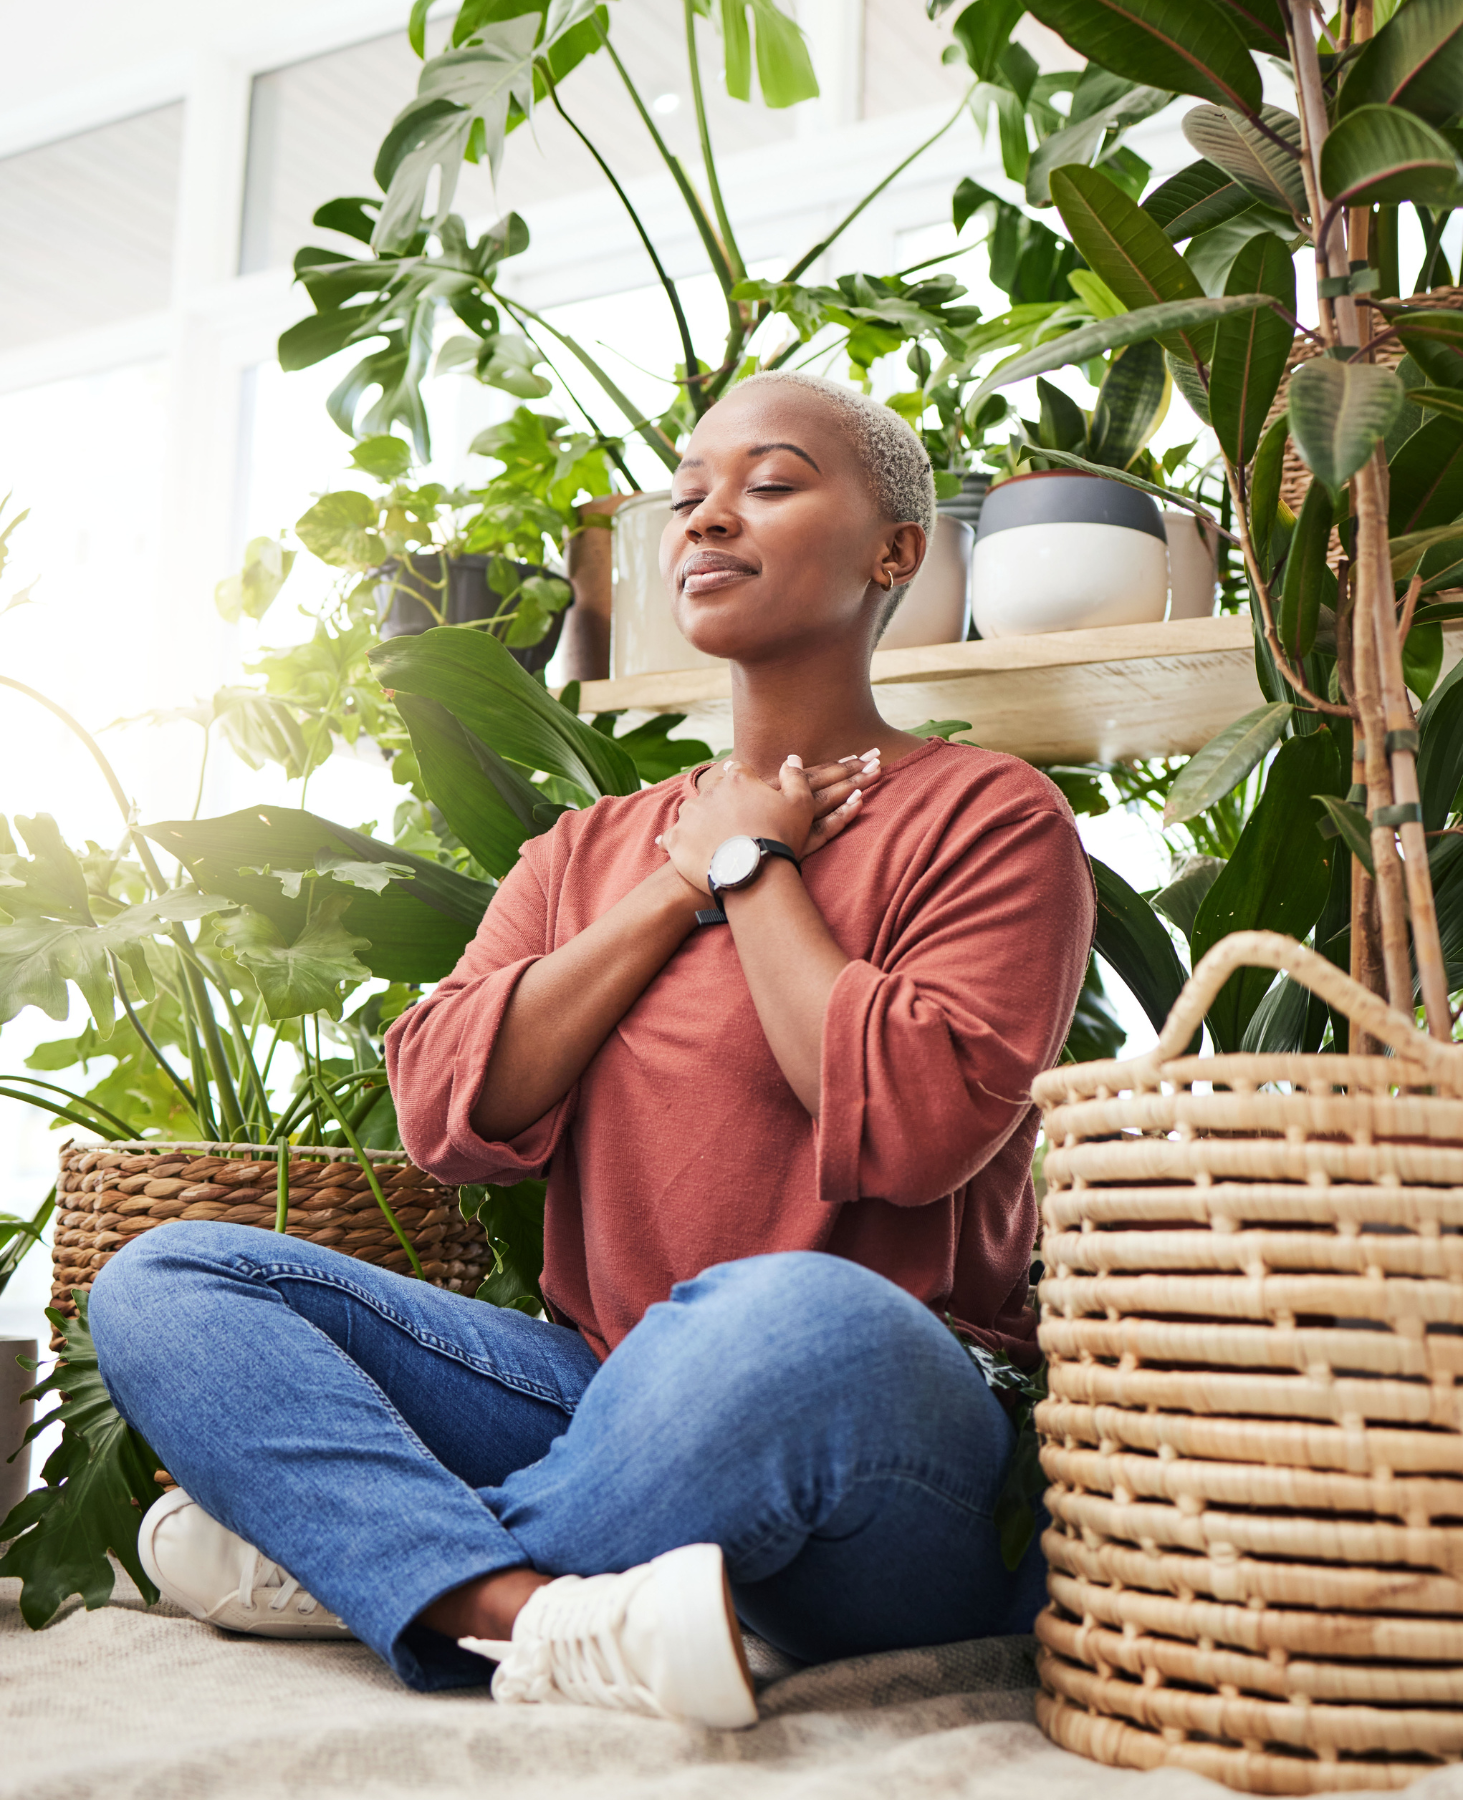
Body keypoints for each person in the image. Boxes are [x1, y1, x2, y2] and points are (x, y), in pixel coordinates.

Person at [90, 371, 1094, 1730]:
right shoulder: (587, 855)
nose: (706, 519)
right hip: (595, 1393)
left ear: (896, 550)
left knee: (796, 1313)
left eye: (771, 482)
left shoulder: (987, 817)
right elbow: (445, 1109)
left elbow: (914, 1131)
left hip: (875, 1431)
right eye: (685, 497)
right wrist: (672, 885)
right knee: (172, 1275)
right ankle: (523, 1616)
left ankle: (364, 1564)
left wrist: (752, 866)